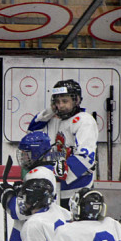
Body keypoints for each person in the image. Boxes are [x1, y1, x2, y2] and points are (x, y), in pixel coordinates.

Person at [27, 79, 98, 208]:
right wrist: (50, 110)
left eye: (65, 101)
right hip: (59, 189)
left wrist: (52, 172)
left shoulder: (85, 120)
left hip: (79, 189)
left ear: (76, 100)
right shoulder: (56, 120)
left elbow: (85, 157)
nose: (61, 106)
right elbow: (33, 128)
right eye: (57, 102)